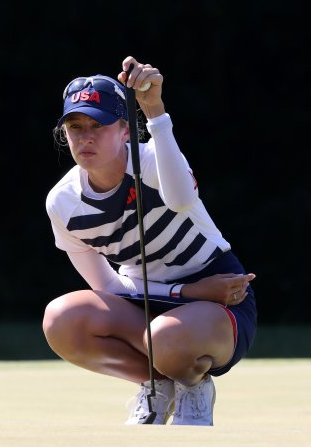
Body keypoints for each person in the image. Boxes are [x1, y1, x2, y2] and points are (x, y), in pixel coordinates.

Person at [42, 56, 257, 426]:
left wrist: (155, 110)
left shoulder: (155, 159)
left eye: (99, 124)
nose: (86, 136)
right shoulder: (63, 203)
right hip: (156, 301)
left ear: (126, 129)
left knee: (166, 339)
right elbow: (108, 287)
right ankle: (157, 386)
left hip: (222, 299)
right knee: (61, 319)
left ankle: (194, 385)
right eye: (76, 126)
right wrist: (188, 295)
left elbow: (182, 200)